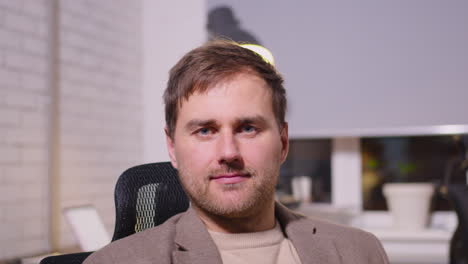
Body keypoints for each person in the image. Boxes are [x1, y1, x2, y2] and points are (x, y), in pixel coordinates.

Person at [84, 40, 389, 264]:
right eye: (205, 130)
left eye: (247, 128)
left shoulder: (360, 253)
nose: (228, 152)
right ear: (172, 148)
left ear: (283, 143)